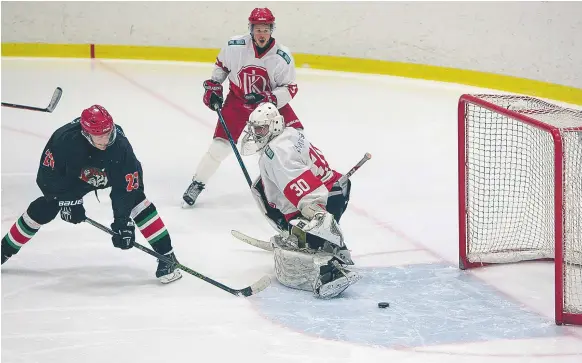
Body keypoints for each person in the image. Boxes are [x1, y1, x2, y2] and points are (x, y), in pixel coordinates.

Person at [1, 105, 182, 284]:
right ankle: (4, 249)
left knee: (137, 201)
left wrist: (122, 223)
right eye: (100, 136)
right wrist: (66, 201)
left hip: (111, 172)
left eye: (108, 133)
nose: (106, 139)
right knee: (43, 208)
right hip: (76, 177)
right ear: (86, 133)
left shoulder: (120, 146)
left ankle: (168, 257)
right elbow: (47, 177)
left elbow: (125, 189)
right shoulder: (63, 140)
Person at [182, 7, 304, 207]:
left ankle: (294, 187)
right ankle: (197, 183)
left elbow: (290, 88)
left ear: (271, 30)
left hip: (269, 106)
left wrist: (269, 97)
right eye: (258, 29)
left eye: (265, 29)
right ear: (251, 29)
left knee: (293, 140)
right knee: (219, 147)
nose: (261, 34)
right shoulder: (234, 46)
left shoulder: (282, 56)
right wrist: (214, 86)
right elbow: (221, 67)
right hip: (238, 101)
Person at [242, 102, 361, 299]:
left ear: (274, 125)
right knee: (260, 186)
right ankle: (324, 241)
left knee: (306, 234)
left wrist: (317, 216)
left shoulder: (276, 154)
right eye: (255, 129)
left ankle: (329, 270)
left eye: (261, 128)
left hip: (323, 199)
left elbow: (303, 187)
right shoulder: (290, 132)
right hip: (336, 187)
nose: (256, 134)